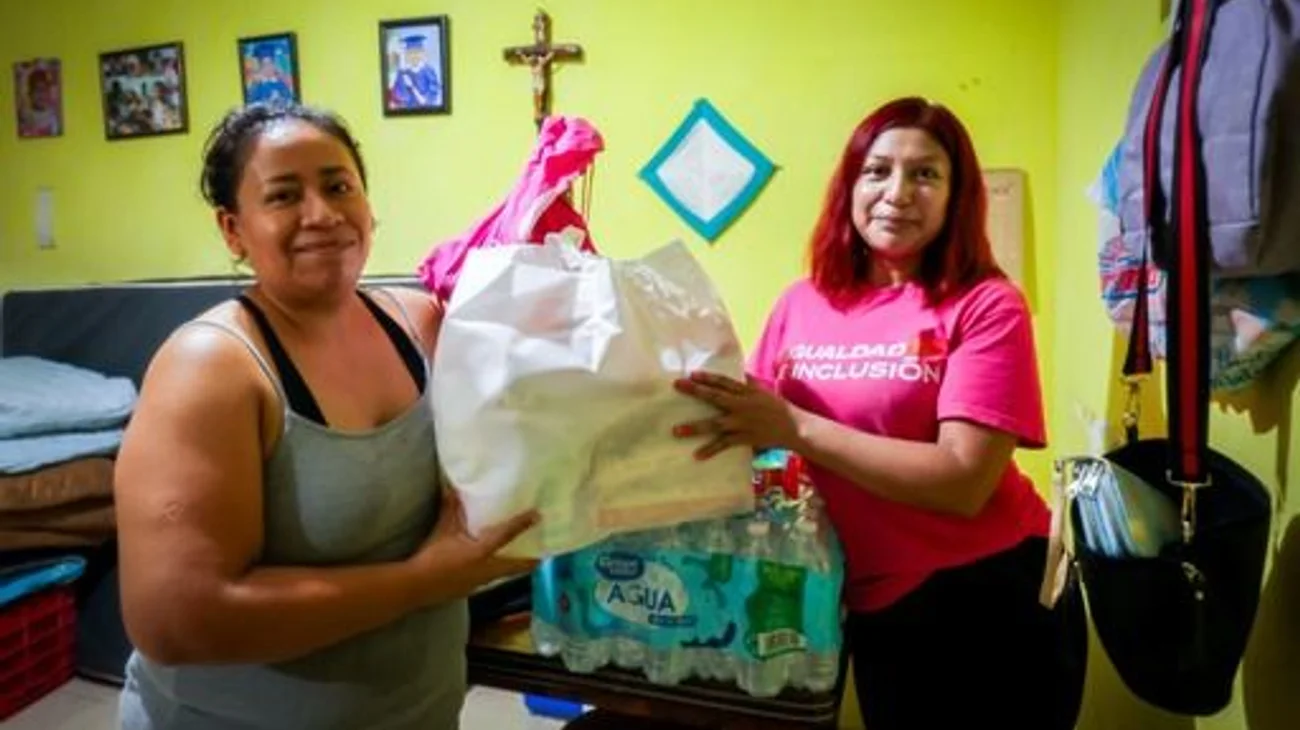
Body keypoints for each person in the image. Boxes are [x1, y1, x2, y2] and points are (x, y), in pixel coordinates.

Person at [114, 102, 538, 730]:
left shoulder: (420, 325)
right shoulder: (213, 367)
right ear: (234, 230)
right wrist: (421, 581)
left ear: (368, 205)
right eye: (284, 196)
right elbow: (178, 620)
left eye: (339, 186)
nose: (322, 214)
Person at [672, 97, 1086, 729]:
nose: (898, 192)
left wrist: (795, 427)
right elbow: (756, 424)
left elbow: (964, 481)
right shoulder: (802, 302)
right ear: (849, 187)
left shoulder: (986, 305)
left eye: (926, 174)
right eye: (878, 171)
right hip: (868, 599)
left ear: (956, 197)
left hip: (988, 597)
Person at [389, 34, 442, 109]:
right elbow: (399, 95)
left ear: (422, 53)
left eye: (417, 52)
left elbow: (433, 94)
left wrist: (413, 88)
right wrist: (406, 85)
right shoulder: (402, 73)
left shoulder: (429, 70)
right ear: (406, 55)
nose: (414, 56)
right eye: (411, 53)